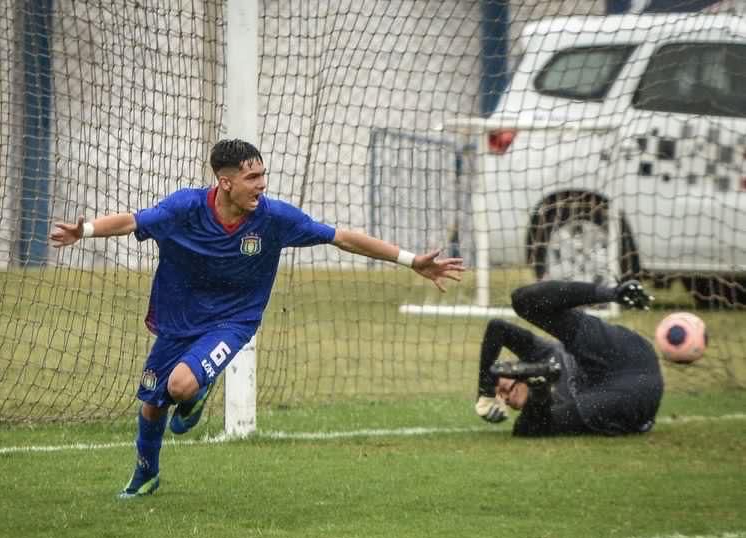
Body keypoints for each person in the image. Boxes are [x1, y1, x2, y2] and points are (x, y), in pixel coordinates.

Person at [50, 139, 465, 498]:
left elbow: (341, 237)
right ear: (225, 181)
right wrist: (84, 230)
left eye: (264, 175)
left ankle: (197, 386)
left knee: (179, 385)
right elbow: (133, 221)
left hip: (233, 321)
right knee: (153, 406)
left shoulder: (275, 218)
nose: (262, 185)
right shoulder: (185, 208)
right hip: (179, 319)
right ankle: (146, 475)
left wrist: (411, 261)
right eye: (253, 178)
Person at [473, 279, 664, 437]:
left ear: (514, 365)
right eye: (504, 400)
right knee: (529, 429)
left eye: (503, 387)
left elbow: (497, 328)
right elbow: (530, 425)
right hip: (631, 394)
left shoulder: (541, 352)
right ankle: (540, 386)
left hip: (623, 352)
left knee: (522, 300)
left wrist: (486, 390)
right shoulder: (551, 411)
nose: (504, 398)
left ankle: (613, 293)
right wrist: (537, 395)